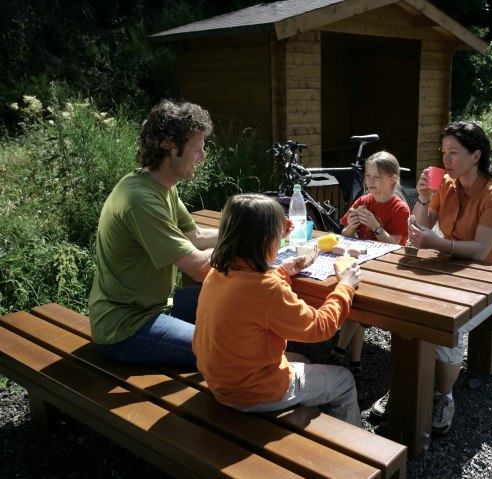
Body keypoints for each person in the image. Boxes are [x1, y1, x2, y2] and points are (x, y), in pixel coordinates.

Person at [375, 120, 492, 435]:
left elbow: (480, 250)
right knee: (407, 308)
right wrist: (423, 197)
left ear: (475, 156)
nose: (445, 159)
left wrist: (438, 244)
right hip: (445, 270)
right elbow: (418, 230)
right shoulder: (445, 184)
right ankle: (410, 385)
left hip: (488, 279)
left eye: (453, 153)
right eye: (443, 152)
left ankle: (444, 395)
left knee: (450, 321)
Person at [193, 193, 363, 427]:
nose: (282, 239)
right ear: (265, 240)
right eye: (279, 235)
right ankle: (355, 453)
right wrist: (345, 285)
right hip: (250, 392)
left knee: (302, 360)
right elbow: (320, 327)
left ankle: (307, 424)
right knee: (343, 380)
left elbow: (252, 292)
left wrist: (282, 271)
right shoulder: (266, 288)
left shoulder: (219, 270)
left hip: (221, 380)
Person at [88, 99, 218, 366]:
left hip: (157, 305)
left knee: (234, 299)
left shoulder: (162, 186)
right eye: (197, 149)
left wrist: (253, 230)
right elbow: (200, 269)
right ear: (171, 147)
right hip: (127, 327)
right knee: (224, 350)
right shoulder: (140, 200)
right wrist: (251, 244)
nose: (203, 158)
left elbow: (194, 237)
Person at [328, 151, 410, 402]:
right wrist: (351, 226)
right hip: (362, 265)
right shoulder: (363, 200)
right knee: (355, 307)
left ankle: (338, 350)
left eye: (377, 177)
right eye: (368, 176)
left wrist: (375, 226)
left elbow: (396, 246)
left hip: (387, 271)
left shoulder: (400, 208)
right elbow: (345, 234)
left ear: (393, 180)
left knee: (355, 307)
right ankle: (354, 363)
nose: (371, 181)